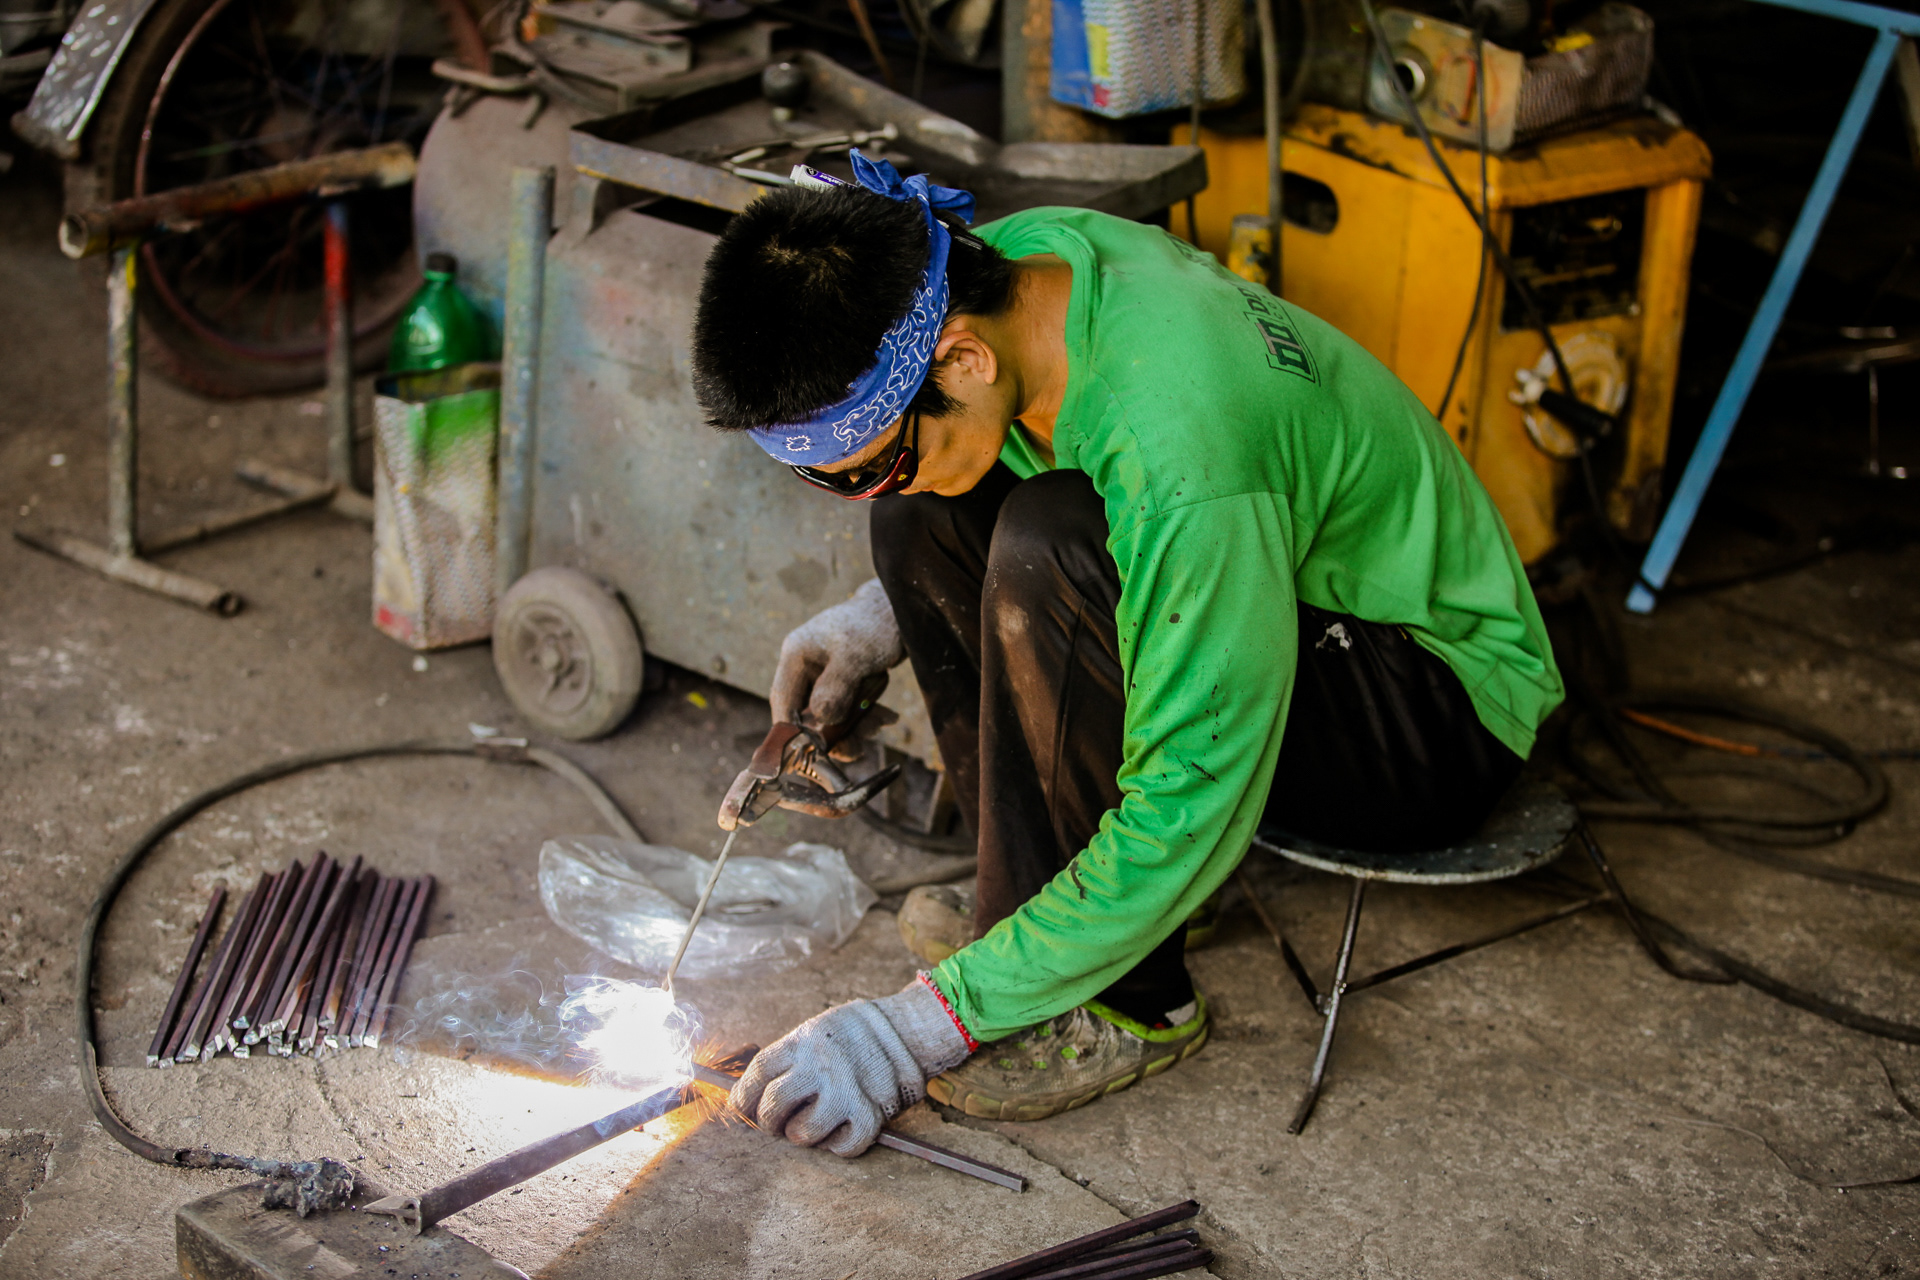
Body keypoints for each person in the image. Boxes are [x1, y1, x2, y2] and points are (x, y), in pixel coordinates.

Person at [689, 154, 1563, 1155]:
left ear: (962, 358)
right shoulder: (1014, 270)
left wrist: (917, 1029)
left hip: (1435, 711)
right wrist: (878, 615)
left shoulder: (1180, 445)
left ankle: (1132, 1002)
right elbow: (976, 485)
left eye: (871, 460)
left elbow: (1186, 801)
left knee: (1052, 547)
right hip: (1268, 591)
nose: (865, 487)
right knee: (916, 530)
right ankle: (1021, 919)